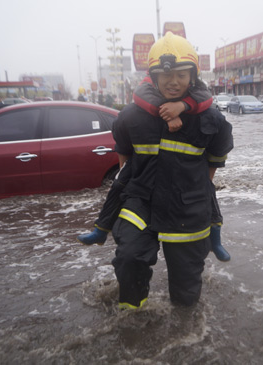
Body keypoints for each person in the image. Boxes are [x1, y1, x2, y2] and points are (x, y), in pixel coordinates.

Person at [111, 32, 233, 309]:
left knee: (187, 280)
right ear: (153, 78)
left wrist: (199, 185)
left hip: (188, 208)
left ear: (192, 77)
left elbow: (217, 155)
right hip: (141, 202)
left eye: (181, 74)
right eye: (166, 76)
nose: (173, 82)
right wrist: (130, 184)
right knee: (129, 258)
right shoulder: (132, 115)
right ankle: (131, 317)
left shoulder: (211, 118)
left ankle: (185, 322)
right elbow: (123, 149)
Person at [77, 76, 232, 262]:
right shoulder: (147, 87)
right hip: (141, 169)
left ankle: (215, 240)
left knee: (207, 191)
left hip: (190, 178)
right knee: (118, 187)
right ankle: (101, 229)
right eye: (167, 72)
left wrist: (182, 106)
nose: (173, 79)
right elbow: (140, 96)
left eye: (180, 72)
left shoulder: (199, 89)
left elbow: (205, 98)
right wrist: (165, 110)